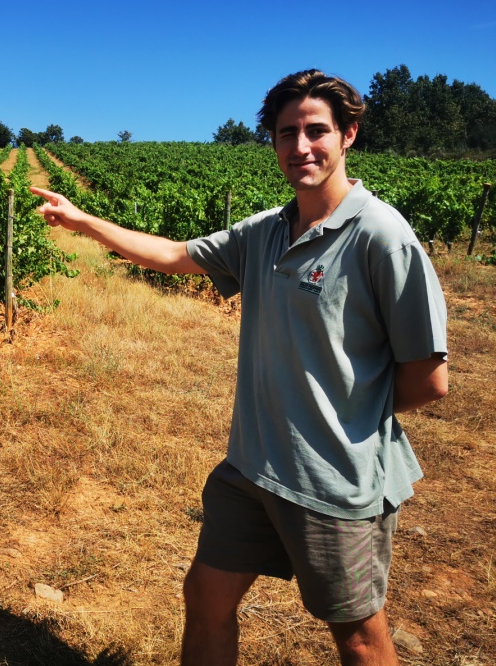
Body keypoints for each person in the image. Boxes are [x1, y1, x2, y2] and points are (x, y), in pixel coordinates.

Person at [30, 69, 448, 666]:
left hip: (335, 480)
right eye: (286, 133)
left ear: (348, 135)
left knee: (356, 635)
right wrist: (84, 222)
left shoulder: (381, 237)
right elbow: (173, 255)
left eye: (316, 130)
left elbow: (428, 379)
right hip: (251, 467)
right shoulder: (266, 231)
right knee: (205, 595)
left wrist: (344, 412)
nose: (301, 146)